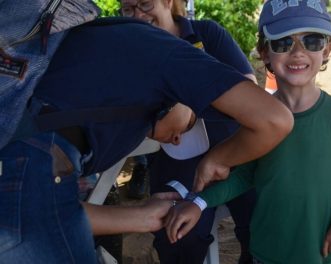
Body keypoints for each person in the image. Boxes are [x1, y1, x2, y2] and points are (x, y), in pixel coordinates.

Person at [0, 0, 294, 263]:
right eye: (190, 122)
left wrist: (140, 217)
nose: (178, 137)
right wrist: (216, 161)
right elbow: (274, 120)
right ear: (174, 96)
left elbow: (40, 209)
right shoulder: (166, 54)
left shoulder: (101, 55)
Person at [165, 1, 331, 263]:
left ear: (327, 49)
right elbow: (244, 177)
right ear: (264, 52)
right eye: (283, 43)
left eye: (312, 40)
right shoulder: (260, 124)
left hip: (318, 253)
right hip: (264, 252)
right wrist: (199, 203)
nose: (298, 52)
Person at [119, 0, 258, 262]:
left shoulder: (206, 33)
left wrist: (191, 101)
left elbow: (249, 86)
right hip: (176, 162)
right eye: (128, 8)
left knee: (262, 219)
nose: (138, 14)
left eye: (145, 4)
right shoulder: (130, 51)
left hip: (233, 152)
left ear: (167, 2)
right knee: (178, 234)